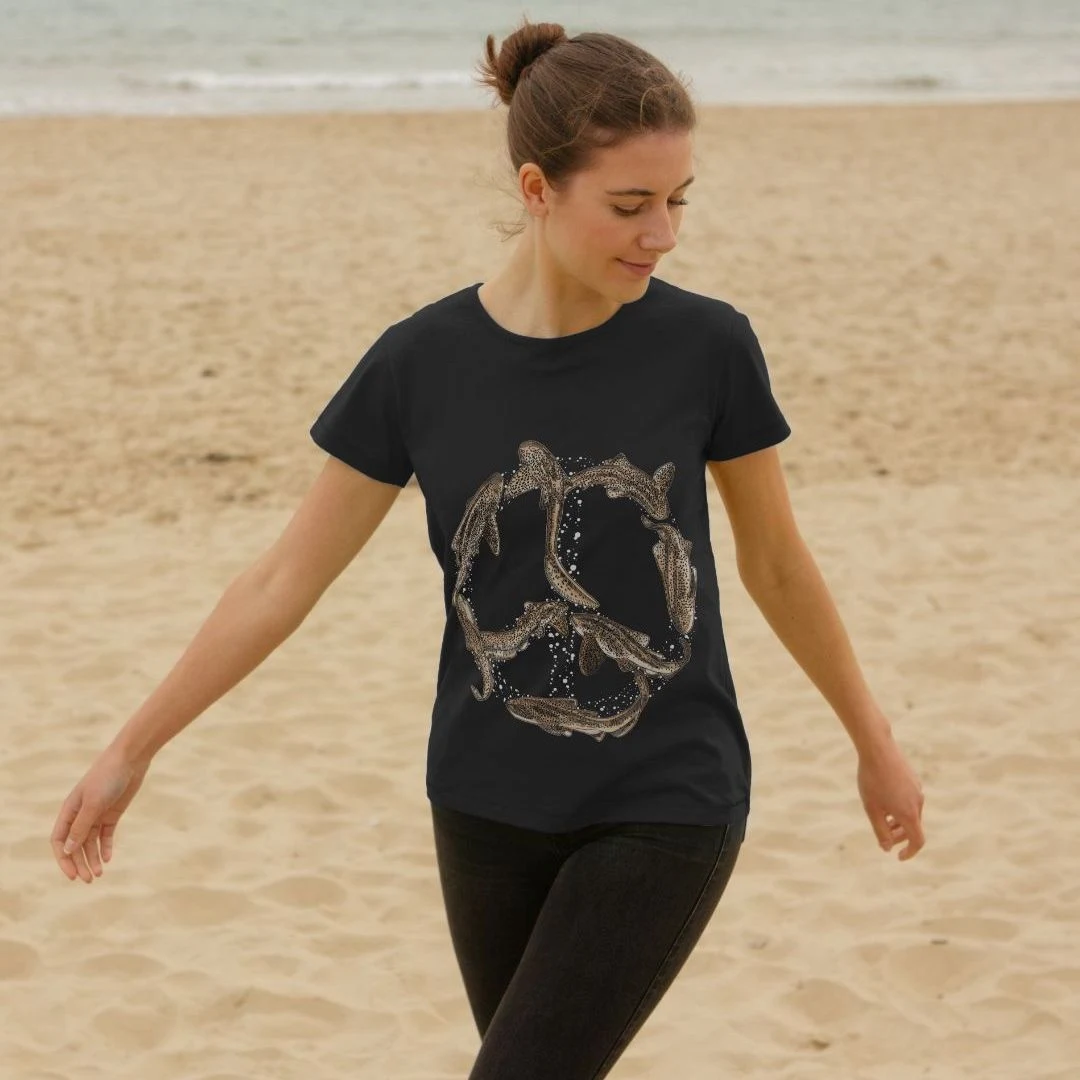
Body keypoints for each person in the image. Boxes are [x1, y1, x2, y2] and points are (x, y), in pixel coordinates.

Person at [51, 17, 925, 1079]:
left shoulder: (708, 347)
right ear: (536, 189)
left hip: (668, 792)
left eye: (679, 201)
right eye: (631, 205)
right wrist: (132, 749)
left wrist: (873, 740)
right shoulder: (419, 365)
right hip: (483, 799)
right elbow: (283, 579)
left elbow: (776, 562)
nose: (663, 235)